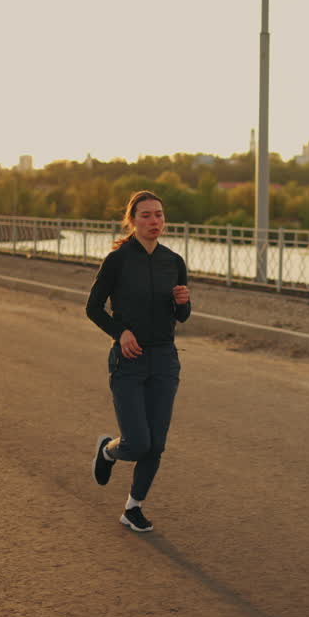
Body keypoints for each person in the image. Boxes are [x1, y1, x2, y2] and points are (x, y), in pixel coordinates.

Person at [85, 190, 191, 532]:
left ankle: (133, 507)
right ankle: (108, 452)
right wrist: (121, 333)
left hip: (164, 361)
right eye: (145, 215)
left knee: (156, 444)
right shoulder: (117, 260)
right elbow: (93, 308)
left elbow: (182, 317)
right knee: (137, 442)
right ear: (132, 220)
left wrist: (183, 302)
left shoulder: (173, 261)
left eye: (159, 215)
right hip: (128, 361)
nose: (154, 221)